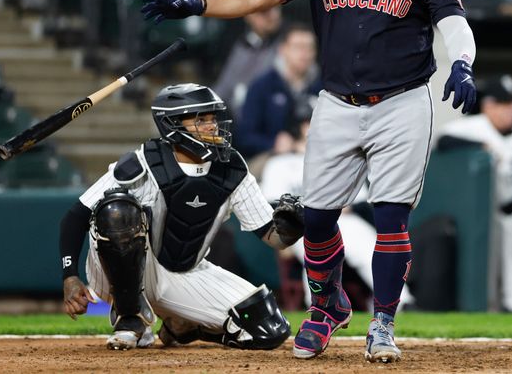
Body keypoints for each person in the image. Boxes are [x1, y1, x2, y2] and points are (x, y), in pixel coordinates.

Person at [140, 0, 478, 363]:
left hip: (402, 103)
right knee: (316, 218)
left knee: (390, 217)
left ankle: (382, 322)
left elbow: (454, 22)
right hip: (338, 101)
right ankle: (328, 305)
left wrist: (464, 65)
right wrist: (197, 3)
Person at [59, 83, 304, 350]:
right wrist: (69, 275)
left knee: (268, 329)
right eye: (201, 119)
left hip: (185, 270)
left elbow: (275, 238)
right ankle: (130, 317)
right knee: (117, 212)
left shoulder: (231, 167)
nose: (212, 126)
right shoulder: (144, 162)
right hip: (121, 274)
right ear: (172, 124)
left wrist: (295, 225)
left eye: (213, 118)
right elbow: (75, 217)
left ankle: (182, 327)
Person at [259, 99, 415, 311]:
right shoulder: (280, 163)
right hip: (300, 224)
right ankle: (319, 307)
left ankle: (399, 303)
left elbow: (360, 202)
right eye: (311, 122)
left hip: (343, 219)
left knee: (368, 244)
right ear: (300, 126)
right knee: (314, 246)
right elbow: (271, 203)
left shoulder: (342, 158)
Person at [436, 75, 512, 314]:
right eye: (505, 104)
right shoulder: (474, 126)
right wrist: (480, 147)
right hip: (473, 214)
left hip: (508, 210)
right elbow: (443, 140)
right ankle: (485, 304)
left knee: (510, 257)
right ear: (489, 105)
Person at [235, 23, 322, 163]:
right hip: (271, 159)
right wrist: (273, 143)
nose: (305, 53)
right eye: (298, 47)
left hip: (316, 157)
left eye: (310, 47)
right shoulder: (262, 86)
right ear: (283, 49)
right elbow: (244, 136)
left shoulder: (324, 85)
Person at [212, 7, 283, 114]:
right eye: (262, 13)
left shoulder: (288, 40)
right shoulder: (240, 43)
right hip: (237, 113)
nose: (270, 16)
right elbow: (223, 87)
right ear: (249, 16)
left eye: (274, 9)